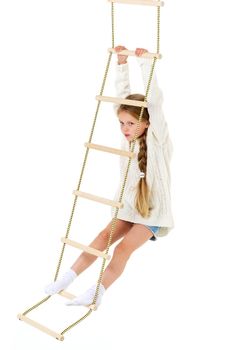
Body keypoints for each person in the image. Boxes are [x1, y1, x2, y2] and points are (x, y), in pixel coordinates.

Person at [44, 45, 174, 308]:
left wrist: (144, 64)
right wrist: (121, 64)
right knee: (103, 237)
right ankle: (67, 278)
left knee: (121, 249)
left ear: (147, 122)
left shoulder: (158, 139)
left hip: (153, 212)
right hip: (128, 206)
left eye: (131, 123)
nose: (125, 129)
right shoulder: (129, 140)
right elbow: (123, 100)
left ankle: (96, 292)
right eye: (121, 123)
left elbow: (154, 101)